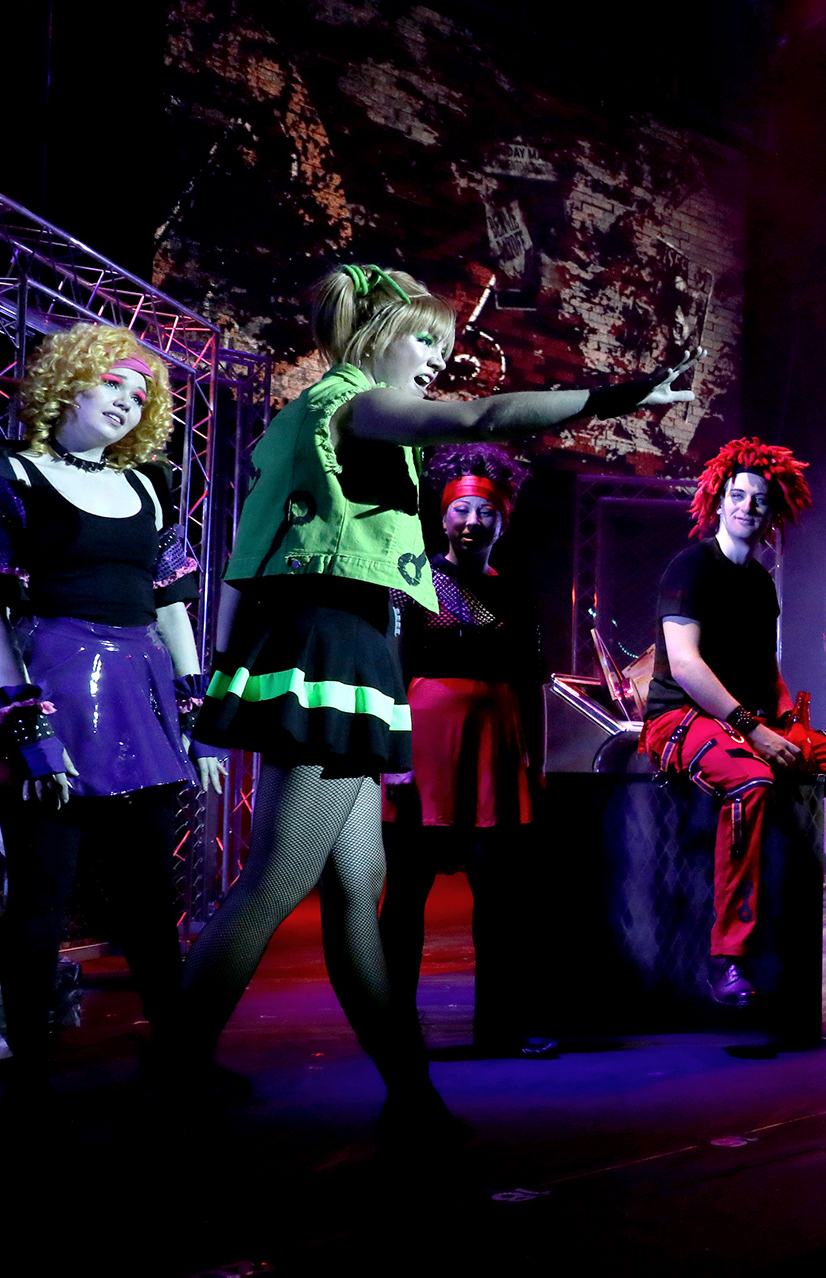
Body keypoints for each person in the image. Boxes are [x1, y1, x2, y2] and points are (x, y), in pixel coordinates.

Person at [187, 264, 697, 1132]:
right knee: (277, 879)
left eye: (443, 344)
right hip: (333, 642)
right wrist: (622, 396)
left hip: (347, 641)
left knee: (359, 889)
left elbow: (252, 551)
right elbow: (481, 417)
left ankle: (410, 1093)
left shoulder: (324, 416)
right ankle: (176, 1065)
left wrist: (227, 664)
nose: (437, 358)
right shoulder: (355, 403)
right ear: (377, 335)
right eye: (424, 339)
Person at [0, 324, 225, 1106]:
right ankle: (29, 1076)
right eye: (113, 382)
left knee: (151, 896)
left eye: (141, 395)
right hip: (49, 683)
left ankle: (179, 1055)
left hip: (140, 693)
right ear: (68, 383)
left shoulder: (149, 483)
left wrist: (198, 713)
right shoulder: (7, 472)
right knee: (41, 894)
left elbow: (173, 605)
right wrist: (27, 724)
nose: (127, 401)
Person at [640, 438, 826, 1007]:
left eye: (759, 499)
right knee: (752, 783)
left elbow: (766, 668)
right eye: (738, 496)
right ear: (718, 502)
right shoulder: (690, 567)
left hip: (748, 719)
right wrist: (754, 729)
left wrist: (788, 724)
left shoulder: (760, 581)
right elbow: (685, 665)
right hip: (681, 717)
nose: (748, 506)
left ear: (773, 511)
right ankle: (728, 958)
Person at [377, 445, 555, 1060]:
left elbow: (533, 684)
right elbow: (390, 672)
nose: (473, 521)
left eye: (486, 512)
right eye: (462, 510)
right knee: (405, 897)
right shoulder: (414, 582)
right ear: (444, 516)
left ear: (503, 521)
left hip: (494, 757)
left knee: (502, 904)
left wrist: (536, 764)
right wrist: (393, 756)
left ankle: (502, 1029)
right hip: (423, 755)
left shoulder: (518, 593)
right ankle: (392, 1025)